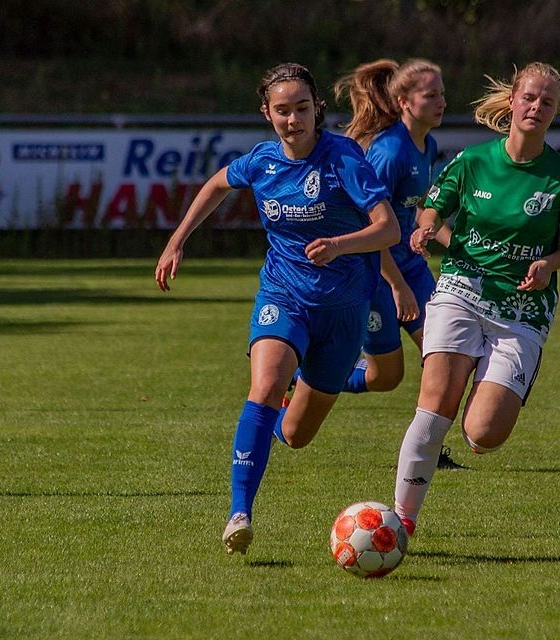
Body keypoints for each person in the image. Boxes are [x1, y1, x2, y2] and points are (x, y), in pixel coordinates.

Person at [155, 62, 399, 555]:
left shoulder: (344, 158)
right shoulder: (262, 162)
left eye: (302, 108)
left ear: (317, 109)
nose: (294, 119)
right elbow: (217, 184)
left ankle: (297, 398)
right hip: (283, 296)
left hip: (344, 310)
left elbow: (388, 229)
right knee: (264, 386)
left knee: (295, 432)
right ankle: (239, 514)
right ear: (267, 113)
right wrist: (178, 239)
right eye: (283, 111)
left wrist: (340, 244)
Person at [392, 62, 560, 536]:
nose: (536, 107)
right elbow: (431, 209)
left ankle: (488, 396)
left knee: (485, 433)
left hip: (522, 309)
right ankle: (400, 522)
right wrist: (425, 232)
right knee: (435, 403)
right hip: (461, 289)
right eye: (529, 97)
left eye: (547, 101)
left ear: (557, 111)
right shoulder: (472, 161)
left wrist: (548, 265)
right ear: (511, 102)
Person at [331, 59, 446, 395]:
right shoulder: (390, 152)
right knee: (385, 377)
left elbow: (420, 206)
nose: (441, 102)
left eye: (441, 94)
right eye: (430, 96)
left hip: (409, 265)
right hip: (376, 272)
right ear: (404, 103)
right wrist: (398, 286)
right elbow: (369, 225)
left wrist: (452, 243)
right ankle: (302, 374)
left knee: (444, 355)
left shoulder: (427, 145)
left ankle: (424, 446)